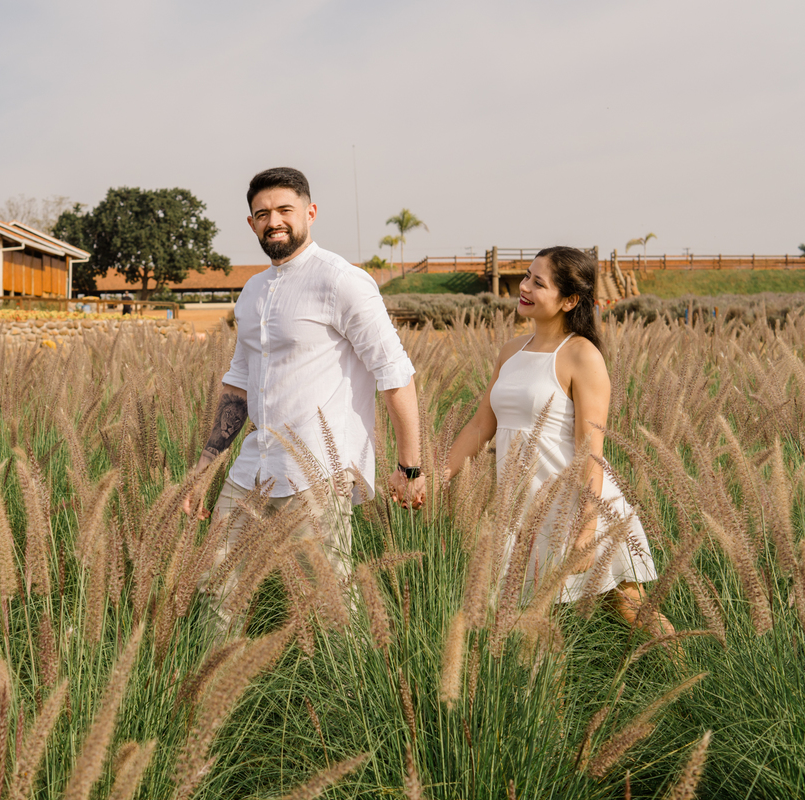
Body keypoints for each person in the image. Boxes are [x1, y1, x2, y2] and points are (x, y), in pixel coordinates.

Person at [183, 167, 426, 632]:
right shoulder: (252, 292)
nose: (273, 220)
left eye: (284, 210)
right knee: (215, 590)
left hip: (317, 474)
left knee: (329, 605)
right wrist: (206, 464)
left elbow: (395, 374)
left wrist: (410, 468)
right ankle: (207, 697)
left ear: (310, 213)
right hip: (251, 469)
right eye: (262, 214)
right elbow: (237, 382)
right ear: (251, 223)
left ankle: (351, 700)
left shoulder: (342, 281)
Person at [442, 246, 673, 637]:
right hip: (524, 512)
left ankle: (688, 675)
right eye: (527, 276)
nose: (525, 287)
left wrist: (586, 527)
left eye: (539, 282)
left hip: (578, 507)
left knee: (630, 609)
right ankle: (551, 701)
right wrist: (439, 475)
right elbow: (481, 426)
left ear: (570, 300)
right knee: (537, 628)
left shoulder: (582, 356)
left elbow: (591, 450)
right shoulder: (511, 352)